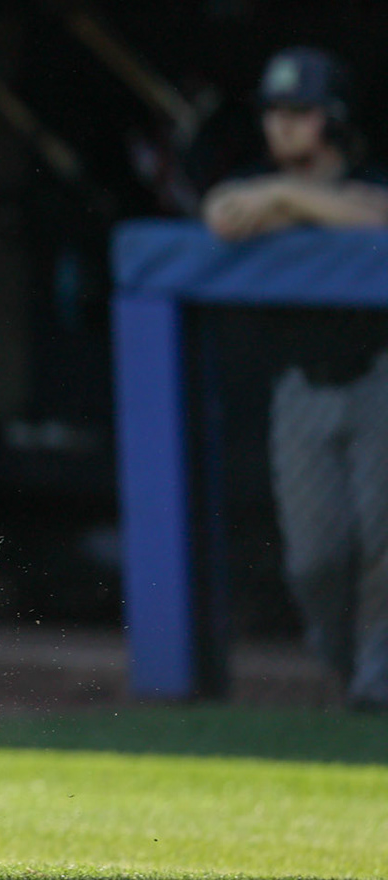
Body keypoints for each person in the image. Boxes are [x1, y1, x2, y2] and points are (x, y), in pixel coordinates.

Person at [202, 45, 388, 710]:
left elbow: (379, 216)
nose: (281, 126)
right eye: (273, 112)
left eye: (299, 112)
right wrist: (291, 194)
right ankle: (343, 667)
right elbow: (221, 217)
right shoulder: (253, 179)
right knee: (315, 560)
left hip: (377, 379)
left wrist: (287, 199)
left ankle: (374, 686)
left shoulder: (369, 175)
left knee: (382, 544)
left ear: (332, 118)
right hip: (301, 388)